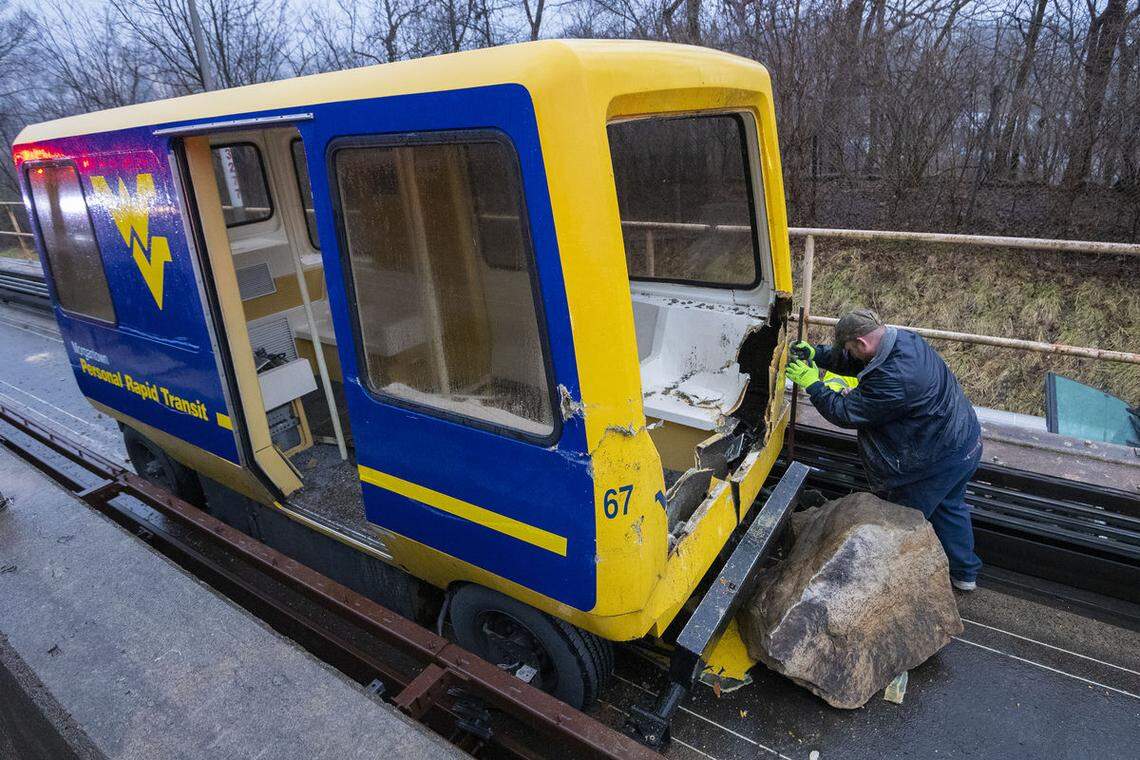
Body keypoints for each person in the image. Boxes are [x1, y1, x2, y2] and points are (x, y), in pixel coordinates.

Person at [786, 308, 983, 591]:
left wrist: (814, 385)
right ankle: (965, 574)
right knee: (950, 508)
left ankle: (885, 587)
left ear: (862, 343)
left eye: (849, 347)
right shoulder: (902, 340)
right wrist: (817, 355)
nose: (848, 353)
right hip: (963, 442)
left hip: (932, 462)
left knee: (895, 523)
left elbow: (845, 412)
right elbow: (858, 362)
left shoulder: (896, 380)